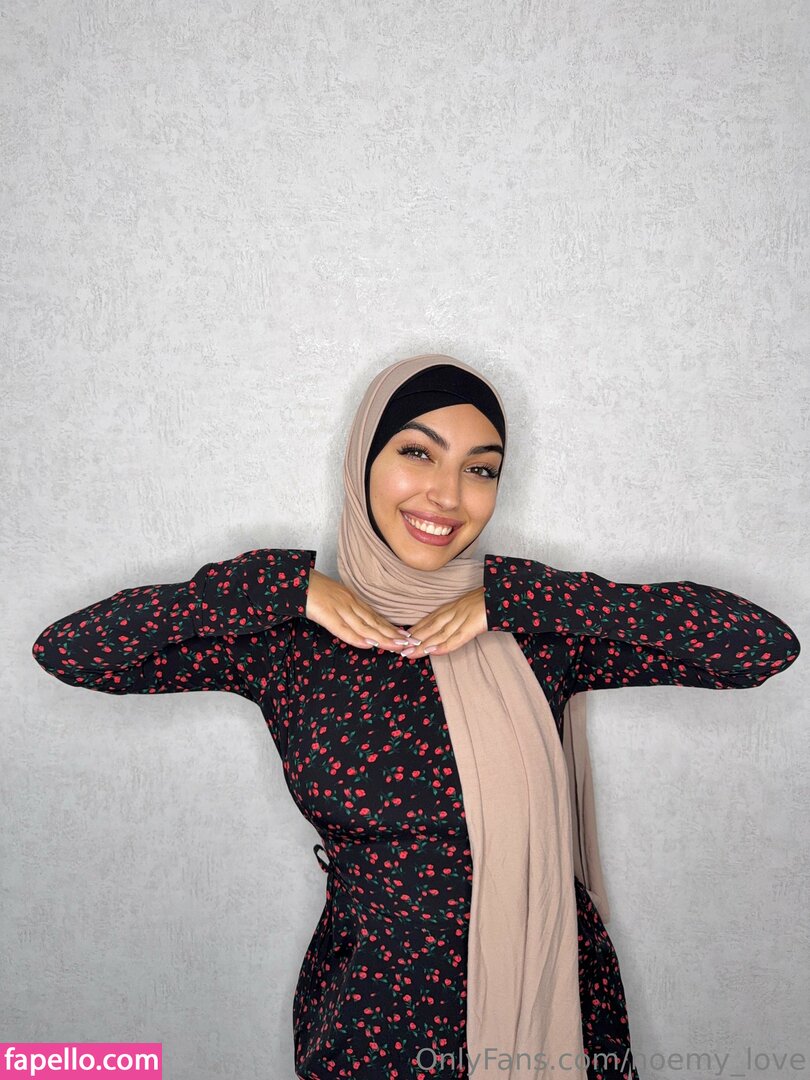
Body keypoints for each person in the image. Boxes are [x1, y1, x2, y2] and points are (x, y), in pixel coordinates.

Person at [31, 353, 801, 1080]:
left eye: (481, 469)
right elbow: (73, 653)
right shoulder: (287, 644)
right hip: (370, 1025)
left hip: (548, 1015)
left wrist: (518, 596)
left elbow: (758, 648)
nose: (447, 495)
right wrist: (278, 585)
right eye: (418, 453)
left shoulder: (536, 635)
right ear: (363, 459)